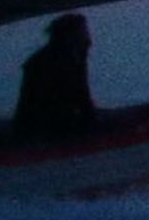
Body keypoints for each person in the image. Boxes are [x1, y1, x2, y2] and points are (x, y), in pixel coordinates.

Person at [14, 12, 100, 142]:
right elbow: (53, 104)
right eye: (84, 31)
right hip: (43, 130)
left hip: (54, 124)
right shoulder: (51, 62)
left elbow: (82, 98)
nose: (88, 35)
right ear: (70, 36)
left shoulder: (76, 56)